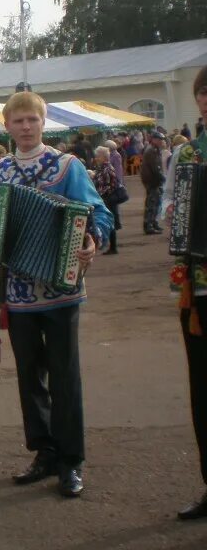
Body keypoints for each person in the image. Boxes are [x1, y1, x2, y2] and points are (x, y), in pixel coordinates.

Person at [0, 91, 113, 499]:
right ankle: (45, 452)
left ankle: (71, 461)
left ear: (43, 122)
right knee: (29, 374)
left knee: (65, 375)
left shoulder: (67, 166)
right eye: (17, 121)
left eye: (32, 120)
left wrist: (92, 239)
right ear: (7, 126)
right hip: (17, 291)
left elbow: (99, 213)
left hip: (61, 288)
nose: (25, 127)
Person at [163, 64, 207, 520]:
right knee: (202, 388)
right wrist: (177, 218)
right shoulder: (190, 154)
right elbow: (170, 204)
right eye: (203, 93)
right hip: (198, 289)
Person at [92, 146, 119, 255]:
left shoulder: (107, 168)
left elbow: (110, 186)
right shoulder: (102, 167)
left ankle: (113, 247)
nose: (96, 158)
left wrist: (99, 194)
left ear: (104, 156)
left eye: (98, 156)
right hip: (105, 198)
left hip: (108, 199)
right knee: (109, 221)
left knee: (109, 222)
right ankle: (111, 246)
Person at [141, 130, 167, 234]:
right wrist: (163, 178)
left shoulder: (155, 149)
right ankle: (149, 225)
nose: (162, 141)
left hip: (153, 180)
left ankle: (153, 223)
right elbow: (156, 168)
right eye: (160, 139)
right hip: (153, 180)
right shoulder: (151, 150)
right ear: (154, 140)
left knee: (155, 203)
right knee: (152, 204)